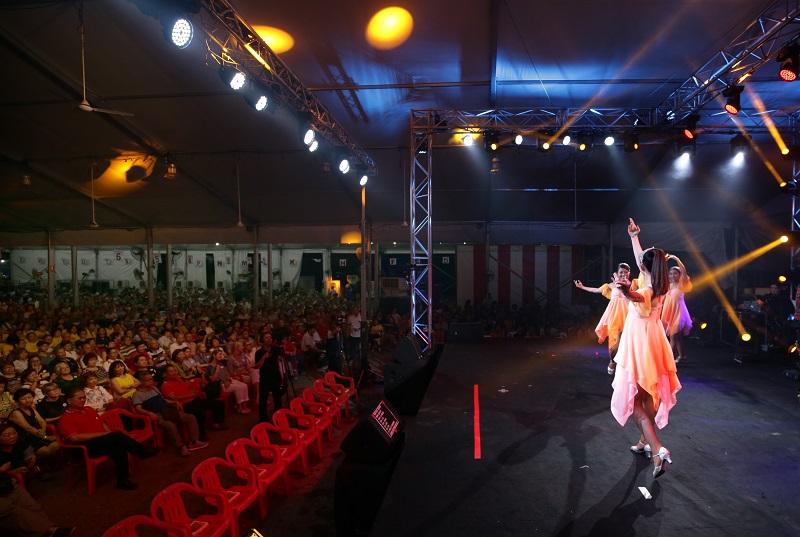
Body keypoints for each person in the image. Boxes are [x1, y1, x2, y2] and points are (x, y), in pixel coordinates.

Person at [610, 218, 681, 479]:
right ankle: (643, 444)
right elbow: (642, 258)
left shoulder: (648, 287)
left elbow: (641, 297)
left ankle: (658, 449)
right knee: (649, 396)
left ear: (642, 267)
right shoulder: (657, 279)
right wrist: (634, 237)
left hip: (640, 344)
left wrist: (628, 292)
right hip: (654, 341)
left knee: (638, 404)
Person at [56, 387, 158, 490]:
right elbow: (74, 438)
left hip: (99, 442)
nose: (83, 400)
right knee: (116, 436)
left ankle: (122, 480)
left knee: (119, 447)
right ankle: (142, 451)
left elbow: (102, 424)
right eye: (79, 398)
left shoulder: (89, 409)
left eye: (84, 397)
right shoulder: (65, 418)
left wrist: (108, 435)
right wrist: (104, 435)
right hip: (82, 447)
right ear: (69, 401)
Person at [574, 262, 638, 375]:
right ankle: (612, 360)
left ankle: (625, 364)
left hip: (629, 316)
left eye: (626, 272)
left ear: (629, 273)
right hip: (614, 316)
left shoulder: (633, 284)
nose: (623, 274)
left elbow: (638, 295)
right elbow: (596, 290)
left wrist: (628, 285)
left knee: (626, 341)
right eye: (621, 272)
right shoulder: (611, 285)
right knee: (614, 342)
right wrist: (582, 287)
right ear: (617, 273)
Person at [131, 371, 208, 457]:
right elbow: (138, 409)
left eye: (151, 379)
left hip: (168, 410)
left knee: (190, 417)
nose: (150, 381)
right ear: (141, 381)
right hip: (157, 414)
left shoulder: (154, 388)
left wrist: (174, 401)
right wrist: (149, 413)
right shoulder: (137, 394)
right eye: (147, 380)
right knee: (170, 425)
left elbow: (163, 400)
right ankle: (181, 446)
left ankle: (194, 442)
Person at [160, 364, 228, 440]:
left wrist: (196, 392)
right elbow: (175, 398)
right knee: (199, 413)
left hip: (193, 400)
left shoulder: (178, 378)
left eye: (174, 370)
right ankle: (201, 434)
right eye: (171, 371)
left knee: (218, 403)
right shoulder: (165, 386)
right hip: (184, 405)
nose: (174, 372)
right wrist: (191, 395)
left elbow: (186, 389)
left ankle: (216, 423)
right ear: (164, 374)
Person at [0, 470, 74, 536]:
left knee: (30, 505)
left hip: (5, 484)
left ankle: (48, 530)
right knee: (9, 510)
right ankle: (50, 530)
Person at [7, 389, 59, 462]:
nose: (28, 400)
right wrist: (46, 437)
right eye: (23, 399)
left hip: (36, 435)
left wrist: (43, 429)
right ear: (17, 401)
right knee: (45, 451)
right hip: (23, 438)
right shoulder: (16, 413)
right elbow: (28, 428)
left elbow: (42, 421)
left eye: (29, 397)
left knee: (56, 445)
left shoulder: (31, 409)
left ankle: (47, 466)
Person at [661, 255, 693, 363]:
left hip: (679, 313)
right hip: (669, 312)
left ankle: (667, 361)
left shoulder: (682, 284)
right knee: (678, 337)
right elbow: (661, 273)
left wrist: (676, 259)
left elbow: (684, 271)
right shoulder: (668, 285)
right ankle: (682, 355)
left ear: (679, 275)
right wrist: (663, 262)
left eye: (675, 273)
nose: (672, 275)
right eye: (670, 273)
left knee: (673, 337)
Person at [254, 333, 285, 422]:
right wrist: (264, 357)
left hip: (275, 376)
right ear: (262, 340)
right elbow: (257, 366)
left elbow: (281, 358)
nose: (269, 339)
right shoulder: (259, 352)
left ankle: (279, 417)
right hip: (265, 378)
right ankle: (264, 420)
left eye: (270, 337)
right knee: (263, 400)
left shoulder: (275, 350)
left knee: (278, 398)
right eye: (267, 338)